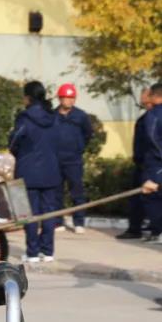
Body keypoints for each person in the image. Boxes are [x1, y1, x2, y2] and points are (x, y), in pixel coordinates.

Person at [10, 81, 62, 262]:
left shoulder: (24, 118)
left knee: (28, 213)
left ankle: (32, 252)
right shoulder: (54, 117)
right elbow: (61, 143)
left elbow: (14, 142)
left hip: (28, 172)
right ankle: (47, 251)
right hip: (51, 171)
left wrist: (21, 155)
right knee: (49, 212)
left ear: (28, 97)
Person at [54, 83, 93, 233]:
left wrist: (79, 147)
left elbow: (88, 134)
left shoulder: (81, 116)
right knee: (56, 191)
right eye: (66, 98)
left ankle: (79, 222)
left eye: (72, 98)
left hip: (73, 159)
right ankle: (58, 221)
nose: (69, 101)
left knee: (77, 190)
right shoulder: (52, 115)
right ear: (60, 98)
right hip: (56, 159)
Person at [117, 87, 153, 239]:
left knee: (151, 199)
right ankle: (136, 228)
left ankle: (152, 229)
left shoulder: (154, 119)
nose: (142, 100)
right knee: (138, 199)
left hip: (152, 165)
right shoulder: (145, 118)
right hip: (142, 163)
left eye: (144, 97)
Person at [140, 82, 162, 244]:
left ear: (155, 96)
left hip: (157, 164)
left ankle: (160, 230)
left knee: (152, 197)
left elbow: (154, 140)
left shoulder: (154, 115)